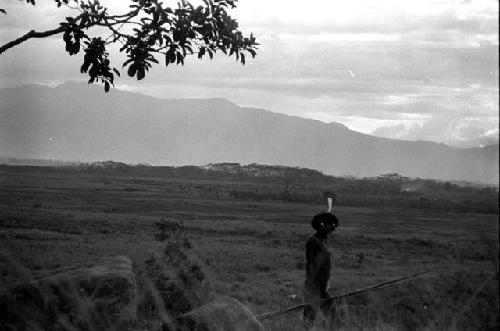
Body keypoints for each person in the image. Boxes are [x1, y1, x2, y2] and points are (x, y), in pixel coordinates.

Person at [303, 211, 339, 325]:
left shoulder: (324, 241)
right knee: (309, 320)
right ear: (319, 226)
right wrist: (314, 285)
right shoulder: (313, 242)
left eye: (331, 225)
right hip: (314, 287)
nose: (329, 228)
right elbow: (311, 265)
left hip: (322, 287)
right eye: (326, 225)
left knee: (333, 318)